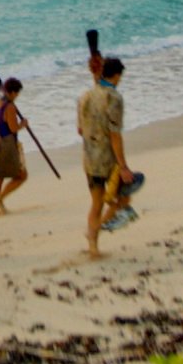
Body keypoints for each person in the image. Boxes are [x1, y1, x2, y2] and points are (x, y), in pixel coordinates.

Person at [77, 57, 141, 258]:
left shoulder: (85, 96)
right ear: (117, 75)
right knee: (123, 197)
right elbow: (115, 135)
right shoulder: (114, 98)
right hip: (107, 160)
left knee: (96, 203)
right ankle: (98, 229)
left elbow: (80, 129)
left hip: (89, 158)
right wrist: (123, 166)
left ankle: (93, 245)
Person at [0, 78, 28, 215]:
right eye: (17, 93)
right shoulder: (9, 107)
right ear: (13, 92)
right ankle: (0, 198)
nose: (17, 96)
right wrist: (23, 124)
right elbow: (13, 128)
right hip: (4, 147)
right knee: (22, 175)